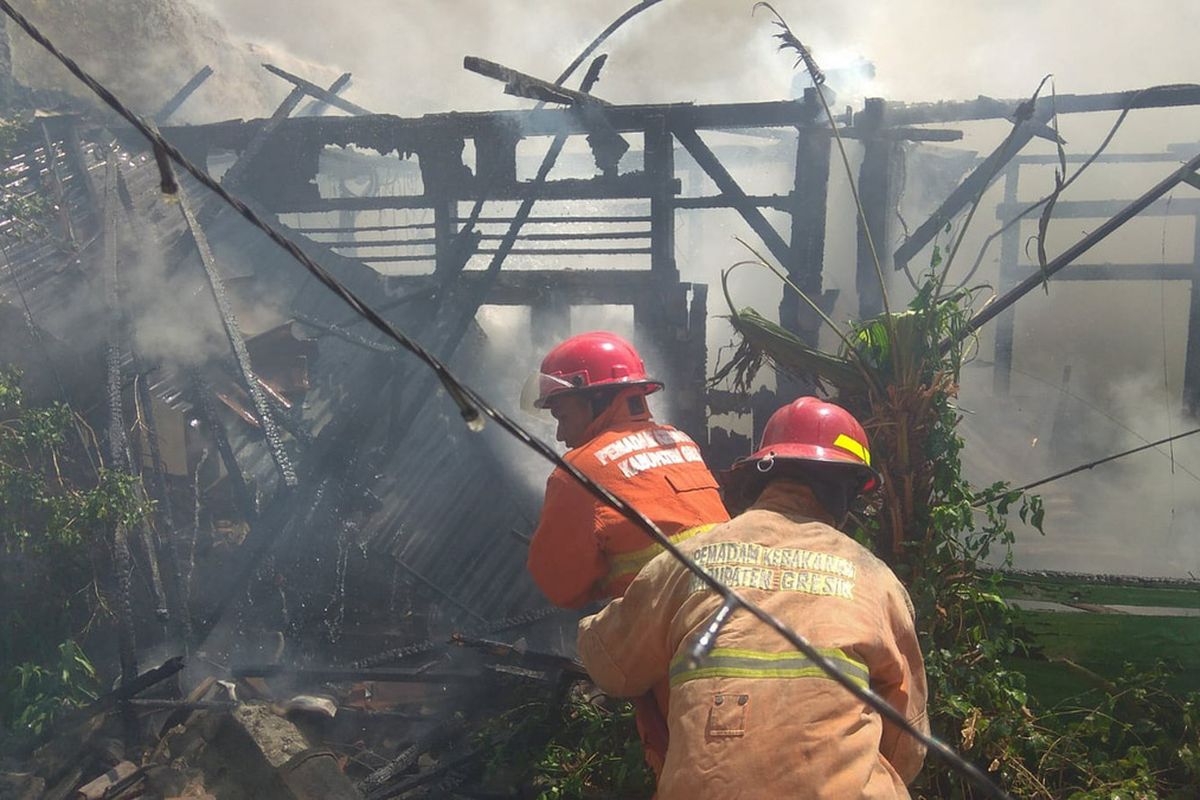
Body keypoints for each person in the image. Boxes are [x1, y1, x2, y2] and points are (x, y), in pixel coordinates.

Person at [577, 397, 928, 799]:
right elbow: (907, 742)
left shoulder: (691, 559)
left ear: (762, 475)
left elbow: (612, 666)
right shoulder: (874, 580)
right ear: (846, 490)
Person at [524, 330, 730, 778]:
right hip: (740, 623)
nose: (559, 434)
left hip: (676, 644)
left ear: (594, 398)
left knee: (692, 768)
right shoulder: (680, 443)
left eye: (561, 413)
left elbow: (560, 585)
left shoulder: (579, 471)